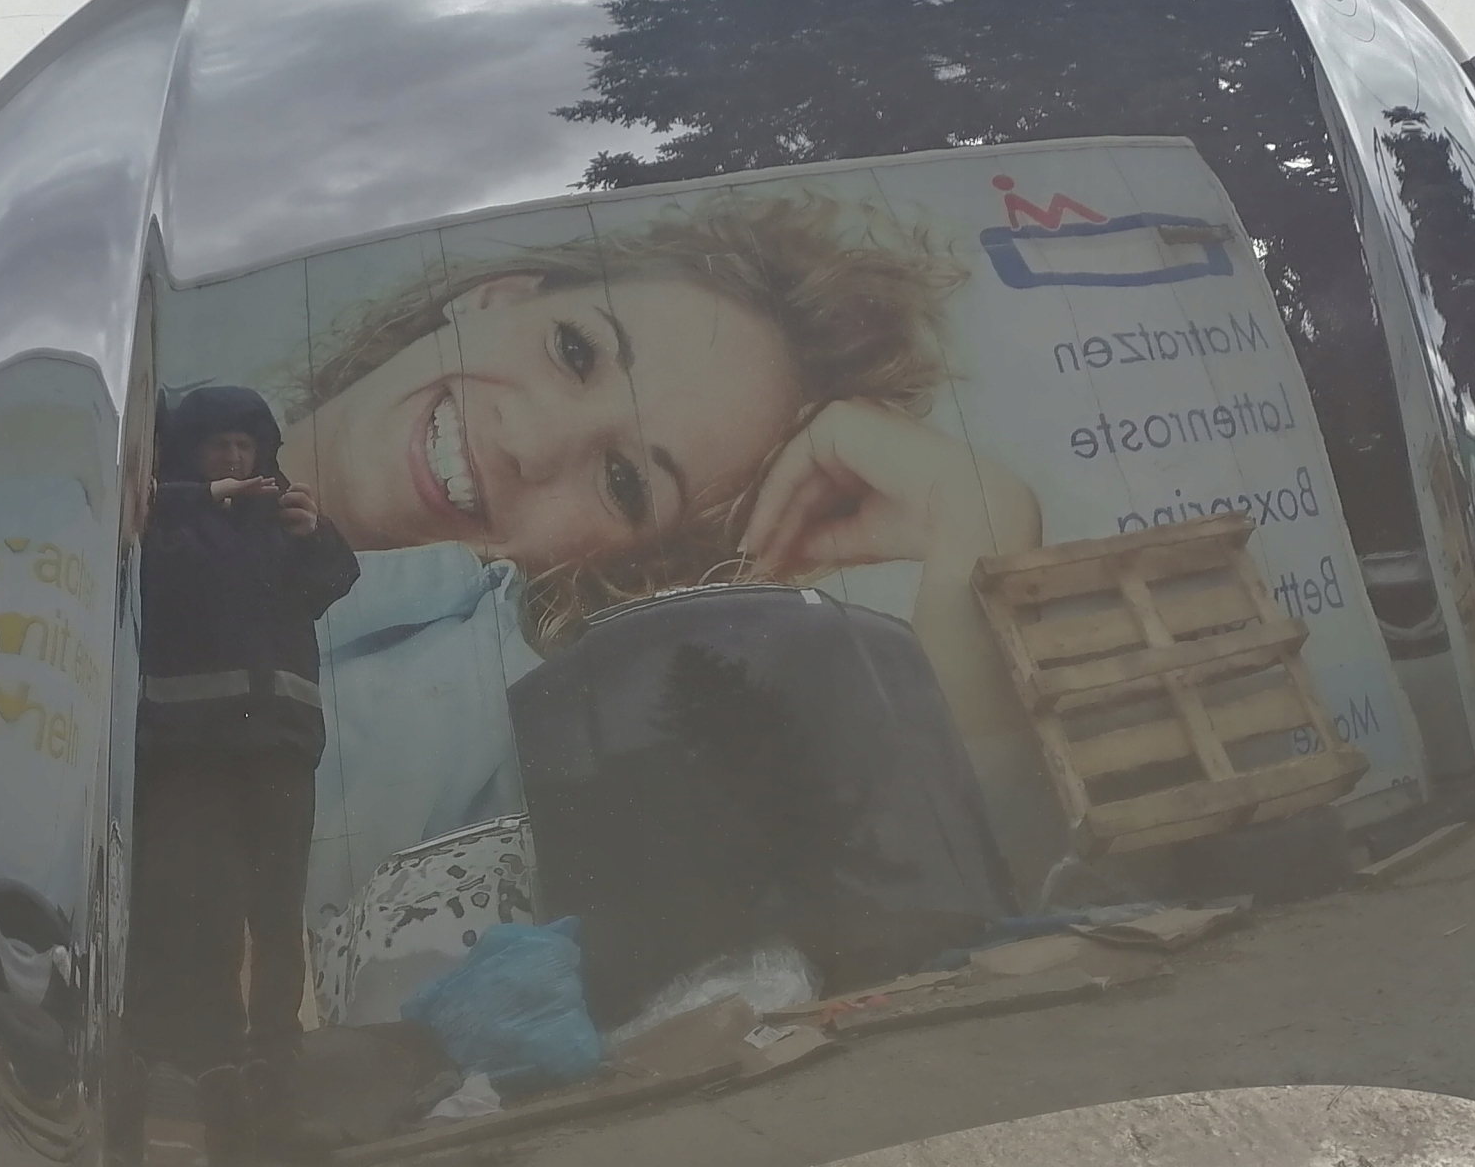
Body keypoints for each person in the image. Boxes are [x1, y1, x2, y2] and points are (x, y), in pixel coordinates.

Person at [267, 186, 1043, 927]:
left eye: (624, 482)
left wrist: (973, 537)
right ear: (495, 296)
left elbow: (949, 898)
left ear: (625, 563)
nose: (529, 441)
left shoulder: (498, 755)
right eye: (575, 351)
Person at [122, 386, 359, 1167]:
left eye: (245, 446)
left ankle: (279, 1104)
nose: (235, 458)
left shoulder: (279, 521)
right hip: (194, 761)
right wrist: (201, 501)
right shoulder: (166, 527)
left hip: (281, 754)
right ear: (192, 455)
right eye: (218, 445)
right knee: (211, 934)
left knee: (278, 927)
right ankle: (225, 1129)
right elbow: (143, 548)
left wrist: (315, 532)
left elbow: (336, 579)